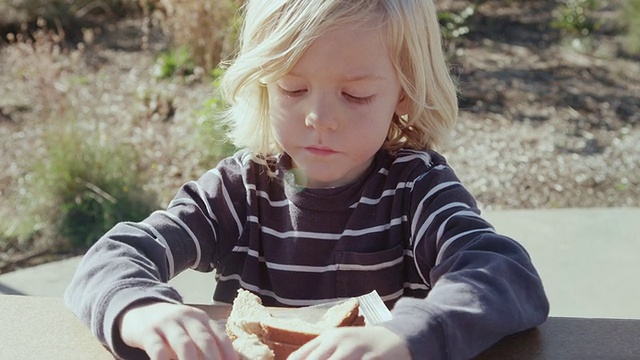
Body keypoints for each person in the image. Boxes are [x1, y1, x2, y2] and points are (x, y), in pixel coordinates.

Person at [65, 0, 549, 359]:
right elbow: (115, 256)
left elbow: (504, 275)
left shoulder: (416, 187)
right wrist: (143, 309)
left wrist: (406, 335)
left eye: (355, 94)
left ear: (404, 93)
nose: (320, 117)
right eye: (292, 88)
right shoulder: (239, 189)